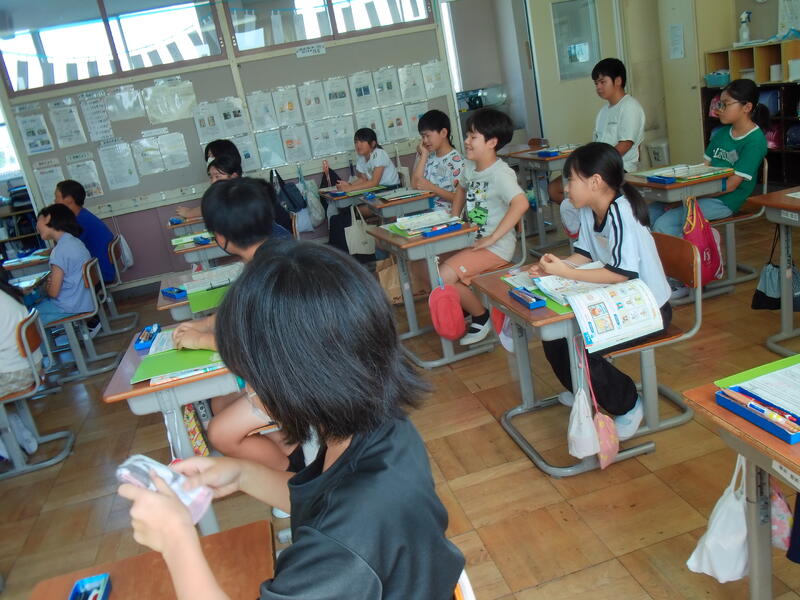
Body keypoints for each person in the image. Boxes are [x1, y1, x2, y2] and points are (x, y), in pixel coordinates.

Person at [119, 241, 465, 599]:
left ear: (292, 379)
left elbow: (340, 528)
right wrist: (241, 474)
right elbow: (324, 504)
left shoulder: (340, 545)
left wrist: (176, 541)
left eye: (251, 379)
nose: (252, 391)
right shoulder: (382, 427)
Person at [529, 142, 671, 440]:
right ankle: (583, 388)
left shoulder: (622, 212)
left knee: (581, 343)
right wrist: (554, 268)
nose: (566, 188)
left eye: (571, 180)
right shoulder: (588, 209)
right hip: (621, 299)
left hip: (649, 308)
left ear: (595, 181)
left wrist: (565, 272)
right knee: (556, 338)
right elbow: (583, 253)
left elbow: (621, 273)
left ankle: (628, 404)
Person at [170, 178, 297, 472]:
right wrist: (205, 324)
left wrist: (200, 340)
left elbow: (255, 344)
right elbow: (242, 312)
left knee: (219, 433)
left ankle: (294, 477)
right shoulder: (272, 254)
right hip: (295, 369)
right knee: (221, 403)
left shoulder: (265, 272)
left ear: (221, 236)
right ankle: (293, 448)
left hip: (300, 379)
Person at [443, 108, 528, 345]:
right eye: (467, 135)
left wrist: (492, 238)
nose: (466, 141)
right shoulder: (471, 167)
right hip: (474, 241)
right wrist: (454, 219)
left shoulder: (500, 174)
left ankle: (481, 317)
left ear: (492, 142)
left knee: (443, 276)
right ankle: (465, 305)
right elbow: (461, 188)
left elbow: (521, 203)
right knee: (426, 264)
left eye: (473, 137)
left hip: (495, 248)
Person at [649, 78, 768, 237]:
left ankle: (697, 252)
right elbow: (704, 168)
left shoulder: (755, 141)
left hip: (725, 200)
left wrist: (687, 198)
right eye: (719, 104)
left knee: (664, 224)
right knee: (650, 212)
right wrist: (681, 192)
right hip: (703, 193)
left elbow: (731, 186)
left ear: (746, 107)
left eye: (725, 104)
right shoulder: (722, 133)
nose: (719, 110)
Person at [549, 58, 645, 237]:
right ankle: (587, 230)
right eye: (596, 83)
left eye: (602, 82)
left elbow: (625, 144)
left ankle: (593, 231)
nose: (598, 87)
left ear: (618, 81)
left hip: (617, 168)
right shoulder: (603, 112)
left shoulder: (630, 107)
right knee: (556, 189)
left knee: (570, 195)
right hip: (597, 167)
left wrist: (596, 164)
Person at [0, 269, 42, 457]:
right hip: (31, 365)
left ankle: (8, 447)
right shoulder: (7, 291)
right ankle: (12, 424)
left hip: (15, 373)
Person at [34, 204, 93, 326]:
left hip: (68, 306)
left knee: (28, 318)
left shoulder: (59, 251)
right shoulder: (76, 242)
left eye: (38, 221)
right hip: (84, 301)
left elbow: (53, 293)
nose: (36, 227)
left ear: (47, 218)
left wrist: (46, 287)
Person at [54, 180, 115, 284]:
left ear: (69, 200)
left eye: (56, 197)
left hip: (99, 274)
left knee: (57, 285)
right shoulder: (83, 215)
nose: (55, 201)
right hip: (100, 269)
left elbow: (69, 253)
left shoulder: (81, 222)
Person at [411, 109, 463, 211]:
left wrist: (433, 189)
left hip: (445, 215)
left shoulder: (456, 161)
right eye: (422, 137)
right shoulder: (429, 156)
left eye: (428, 136)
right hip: (426, 212)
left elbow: (460, 199)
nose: (425, 141)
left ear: (443, 132)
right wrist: (423, 155)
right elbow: (415, 184)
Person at [176, 154, 243, 220]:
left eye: (217, 176)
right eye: (211, 177)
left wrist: (189, 213)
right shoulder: (222, 194)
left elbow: (213, 208)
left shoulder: (241, 194)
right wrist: (189, 212)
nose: (213, 181)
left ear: (234, 176)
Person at [336, 128, 400, 192]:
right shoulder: (361, 157)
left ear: (372, 144)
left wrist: (350, 188)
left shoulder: (379, 153)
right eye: (356, 142)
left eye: (362, 141)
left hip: (392, 189)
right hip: (378, 189)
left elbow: (374, 182)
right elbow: (363, 179)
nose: (358, 145)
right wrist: (349, 185)